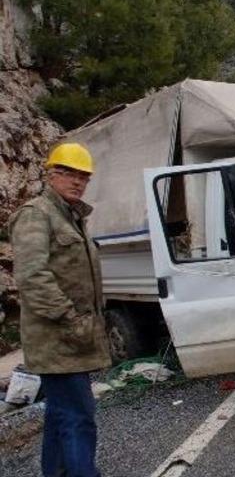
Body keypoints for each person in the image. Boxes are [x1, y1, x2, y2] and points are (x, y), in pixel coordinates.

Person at [9, 142, 110, 477]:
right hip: (57, 337)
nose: (77, 181)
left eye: (83, 176)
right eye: (67, 173)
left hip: (70, 336)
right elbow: (32, 276)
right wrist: (70, 318)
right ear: (50, 174)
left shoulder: (70, 216)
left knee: (60, 414)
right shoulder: (36, 214)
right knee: (78, 417)